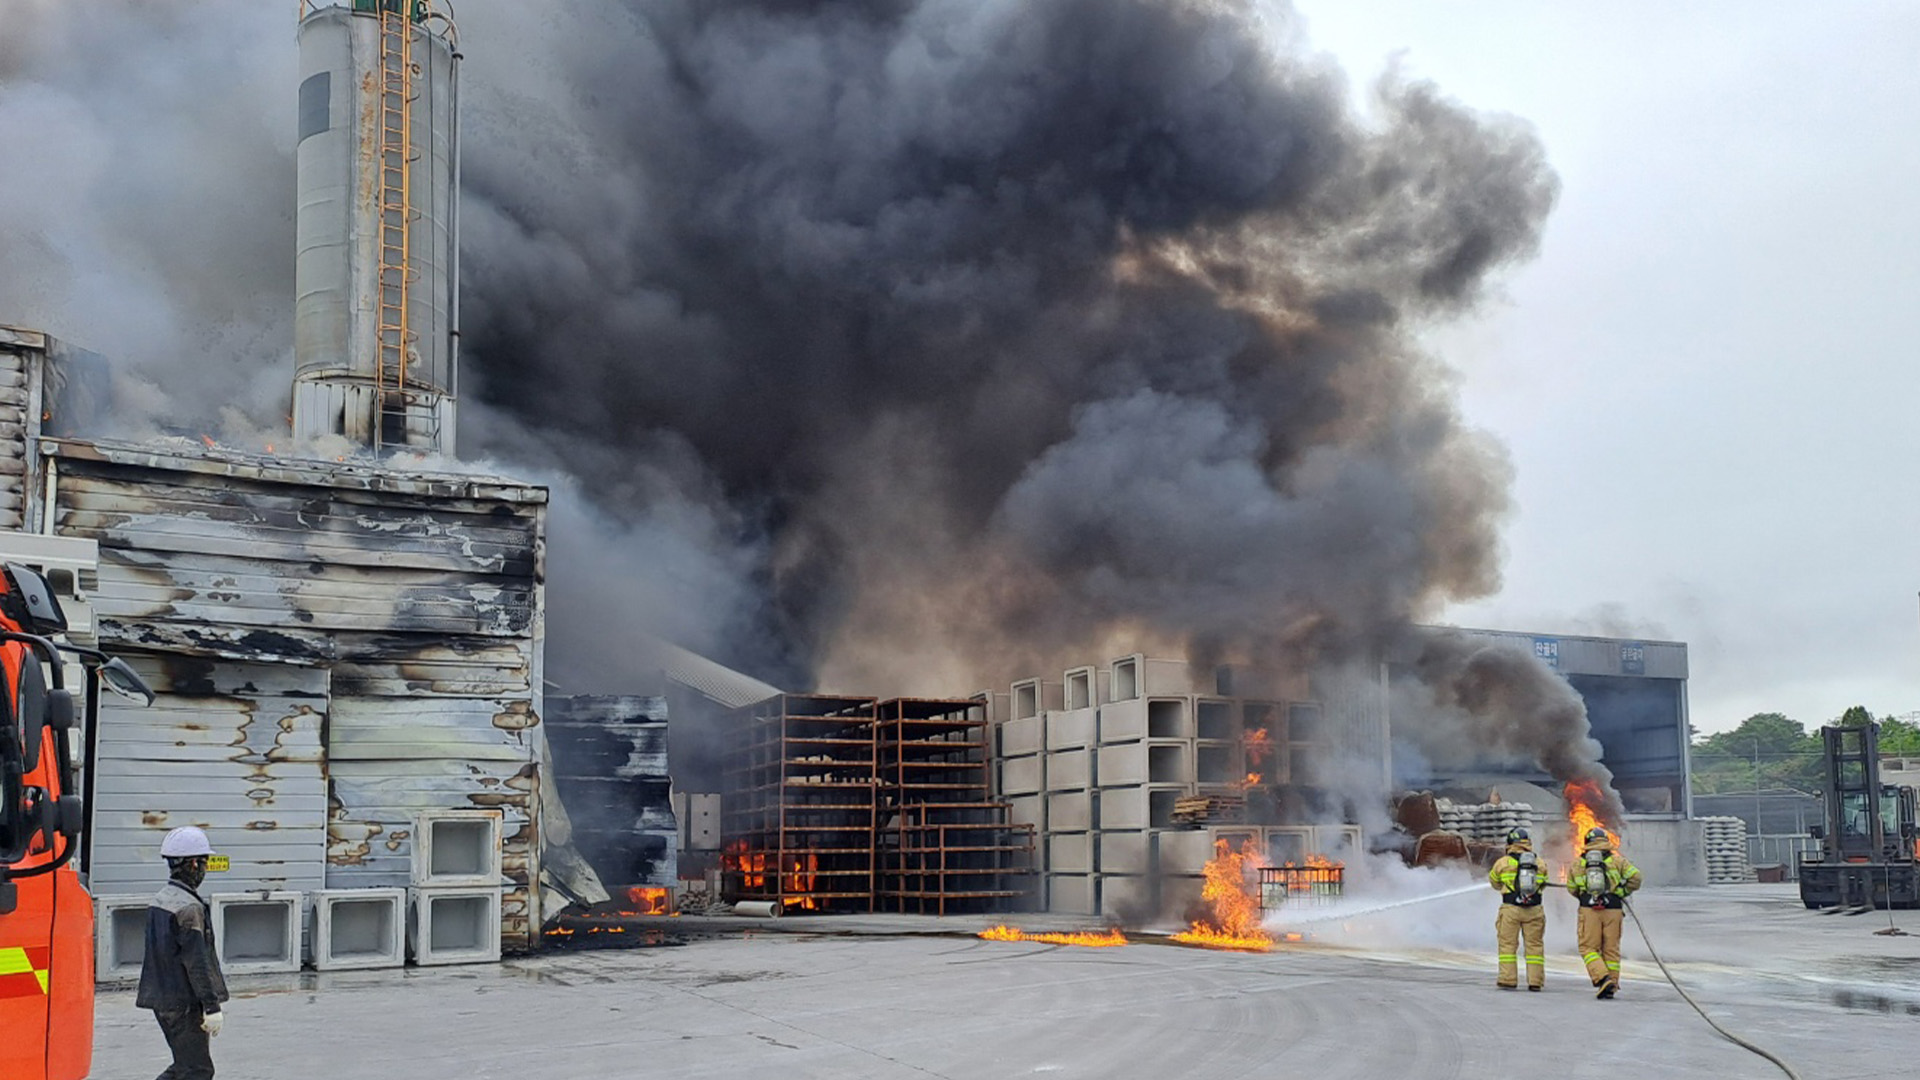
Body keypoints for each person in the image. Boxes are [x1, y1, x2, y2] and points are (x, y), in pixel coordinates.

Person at [136, 826, 229, 1079]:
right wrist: (211, 1006)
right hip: (183, 1003)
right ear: (195, 863)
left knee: (184, 1066)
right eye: (204, 862)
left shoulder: (161, 899)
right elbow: (197, 962)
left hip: (162, 1000)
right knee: (198, 1070)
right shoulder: (188, 908)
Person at [1565, 825, 1642, 999]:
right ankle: (1612, 985)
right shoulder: (1618, 861)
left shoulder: (1578, 863)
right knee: (1611, 949)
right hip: (1613, 909)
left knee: (1588, 947)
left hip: (1589, 910)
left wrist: (1584, 896)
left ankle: (1602, 978)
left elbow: (1571, 887)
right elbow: (1636, 878)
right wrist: (1621, 892)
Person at [1487, 826, 1547, 990]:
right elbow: (1543, 885)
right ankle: (1535, 981)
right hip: (1534, 909)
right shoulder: (1539, 863)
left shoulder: (1503, 862)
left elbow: (1494, 882)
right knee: (1534, 946)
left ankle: (1508, 979)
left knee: (1507, 945)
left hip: (1510, 909)